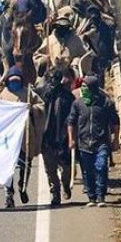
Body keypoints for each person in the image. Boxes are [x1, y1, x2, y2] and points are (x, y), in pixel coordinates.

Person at [0, 67, 46, 209]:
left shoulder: (28, 93)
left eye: (17, 81)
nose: (14, 83)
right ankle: (9, 194)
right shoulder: (2, 94)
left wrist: (32, 109)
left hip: (25, 135)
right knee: (8, 167)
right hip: (8, 137)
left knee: (26, 163)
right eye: (12, 81)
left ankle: (23, 185)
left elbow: (41, 105)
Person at [68, 75, 119, 206]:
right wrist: (71, 139)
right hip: (84, 143)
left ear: (93, 89)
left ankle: (101, 196)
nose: (82, 89)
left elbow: (115, 123)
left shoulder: (106, 103)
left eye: (85, 87)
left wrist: (115, 140)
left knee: (101, 166)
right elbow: (71, 122)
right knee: (88, 171)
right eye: (82, 87)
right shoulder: (78, 104)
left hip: (102, 142)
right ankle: (92, 197)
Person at [36, 66, 76, 206]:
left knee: (66, 168)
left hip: (63, 137)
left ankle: (65, 185)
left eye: (56, 79)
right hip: (47, 138)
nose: (53, 83)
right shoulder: (40, 95)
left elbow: (73, 115)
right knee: (50, 170)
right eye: (51, 79)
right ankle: (55, 194)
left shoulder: (67, 97)